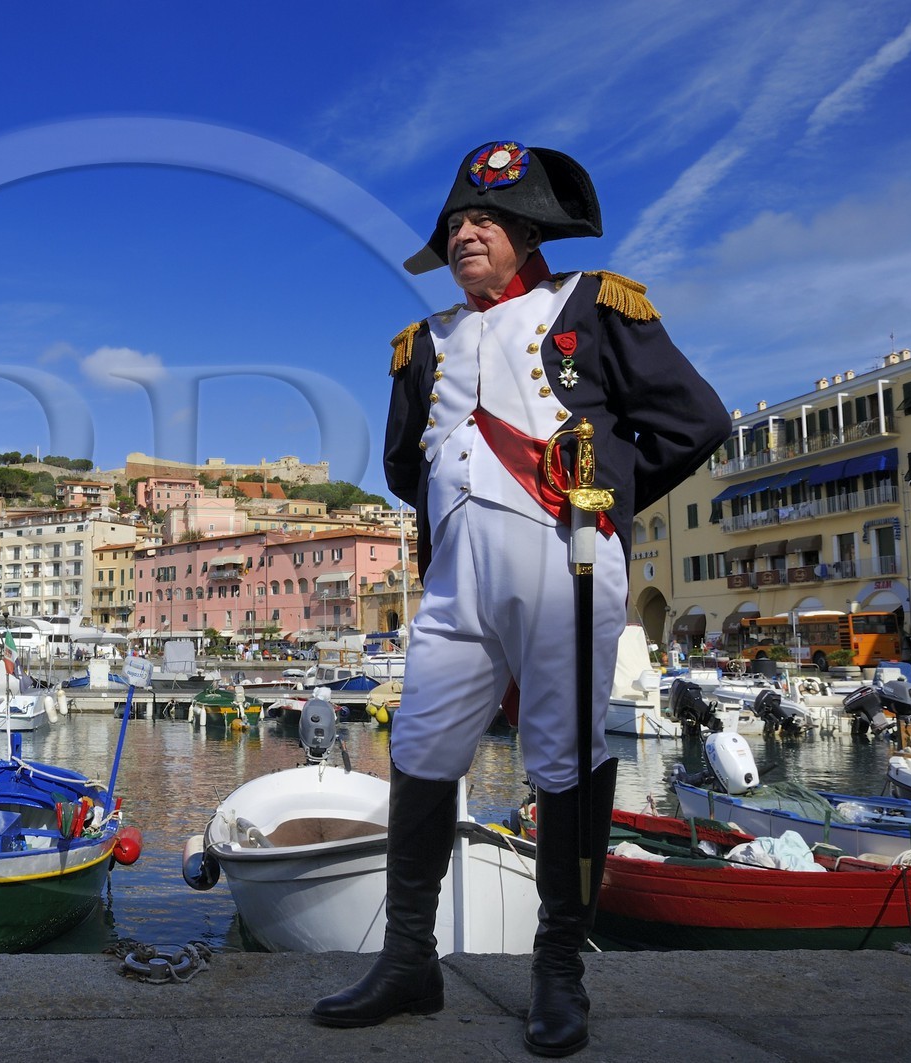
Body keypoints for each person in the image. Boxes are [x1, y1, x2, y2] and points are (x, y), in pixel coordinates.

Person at [311, 142, 731, 1056]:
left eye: (486, 220)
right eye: (457, 223)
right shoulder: (423, 343)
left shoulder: (592, 306)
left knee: (564, 757)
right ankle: (410, 960)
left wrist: (603, 495)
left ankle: (559, 970)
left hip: (563, 560)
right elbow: (404, 466)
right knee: (421, 747)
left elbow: (697, 421)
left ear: (529, 235)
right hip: (456, 575)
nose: (466, 233)